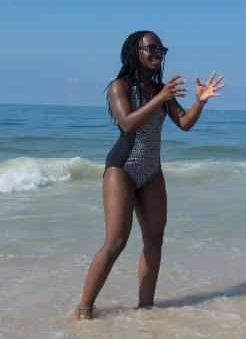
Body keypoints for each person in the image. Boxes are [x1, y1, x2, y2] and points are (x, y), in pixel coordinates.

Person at [76, 31, 224, 319]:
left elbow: (184, 123)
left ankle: (146, 309)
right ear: (135, 51)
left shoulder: (160, 89)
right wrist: (162, 97)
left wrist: (200, 102)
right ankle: (84, 310)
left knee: (154, 239)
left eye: (162, 48)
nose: (159, 52)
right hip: (123, 168)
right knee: (116, 241)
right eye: (152, 47)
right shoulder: (119, 86)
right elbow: (128, 123)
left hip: (152, 170)